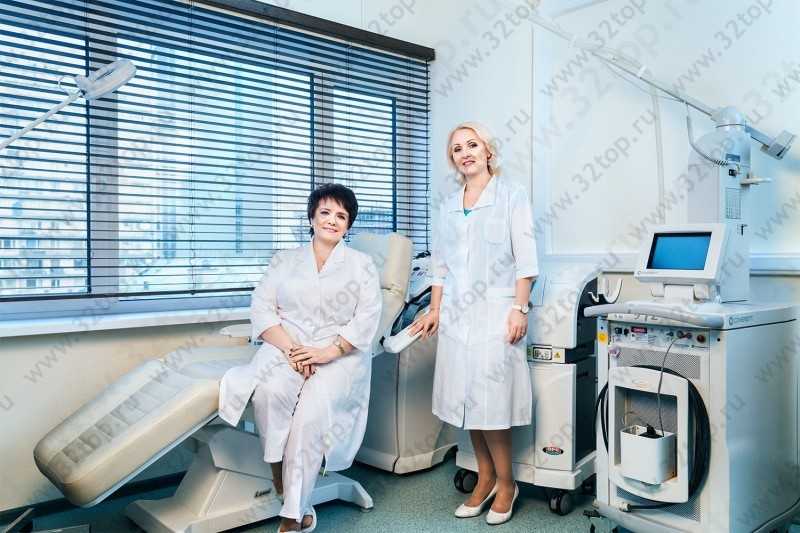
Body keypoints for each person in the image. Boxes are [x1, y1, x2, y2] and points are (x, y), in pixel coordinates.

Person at [218, 184, 382, 533]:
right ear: (311, 218)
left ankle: (293, 513)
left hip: (339, 355)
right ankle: (277, 468)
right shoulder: (285, 260)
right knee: (269, 392)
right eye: (325, 212)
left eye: (341, 216)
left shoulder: (362, 265)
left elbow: (367, 318)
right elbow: (262, 308)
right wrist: (294, 351)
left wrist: (325, 353)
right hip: (286, 346)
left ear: (348, 225)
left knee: (309, 418)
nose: (332, 220)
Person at [410, 122, 538, 525]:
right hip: (457, 316)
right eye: (457, 149)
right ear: (453, 160)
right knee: (468, 401)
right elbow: (440, 266)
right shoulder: (449, 205)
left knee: (492, 403)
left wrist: (519, 309)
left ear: (488, 151)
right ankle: (484, 478)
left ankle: (507, 483)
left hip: (497, 313)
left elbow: (526, 260)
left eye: (472, 145)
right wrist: (434, 309)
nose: (465, 153)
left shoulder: (512, 195)